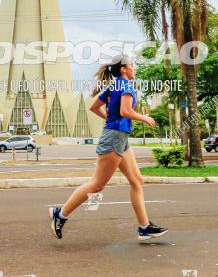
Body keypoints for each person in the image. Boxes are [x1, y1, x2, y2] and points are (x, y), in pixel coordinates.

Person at [48, 54, 168, 241]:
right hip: (114, 138)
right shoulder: (126, 86)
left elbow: (94, 108)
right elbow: (125, 111)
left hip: (120, 137)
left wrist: (111, 120)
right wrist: (144, 117)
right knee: (97, 184)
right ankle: (60, 214)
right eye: (132, 65)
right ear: (123, 69)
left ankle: (144, 227)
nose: (134, 68)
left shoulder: (114, 86)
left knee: (137, 180)